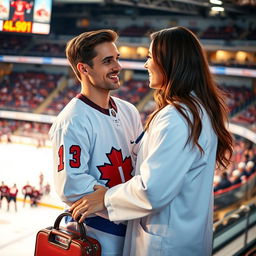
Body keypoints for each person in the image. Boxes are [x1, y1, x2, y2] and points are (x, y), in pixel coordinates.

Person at [70, 26, 233, 256]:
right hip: (181, 235)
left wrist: (105, 198)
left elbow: (152, 191)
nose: (146, 64)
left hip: (165, 245)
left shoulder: (178, 117)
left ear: (170, 62)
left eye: (149, 57)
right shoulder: (193, 110)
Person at [49, 29, 142, 255]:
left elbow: (143, 164)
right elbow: (71, 186)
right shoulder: (72, 120)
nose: (118, 67)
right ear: (84, 68)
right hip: (98, 237)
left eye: (117, 59)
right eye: (107, 61)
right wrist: (123, 202)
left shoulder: (129, 110)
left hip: (135, 232)